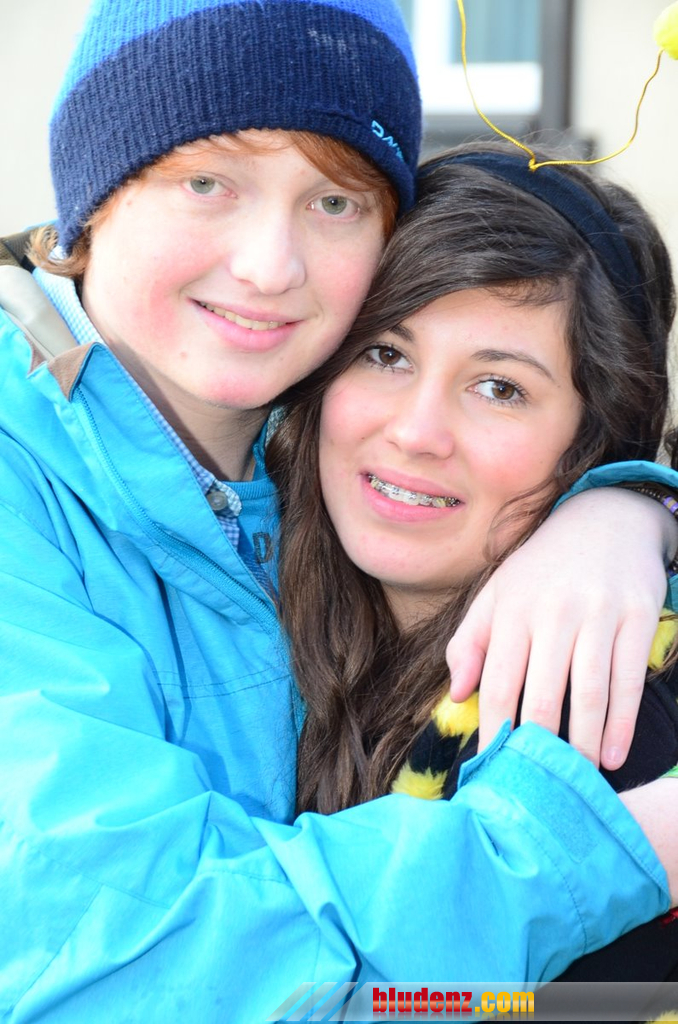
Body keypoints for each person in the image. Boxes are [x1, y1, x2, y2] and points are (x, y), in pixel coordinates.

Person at [0, 1, 676, 1019]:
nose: (270, 265)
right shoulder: (35, 485)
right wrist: (592, 850)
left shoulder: (287, 475)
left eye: (335, 201)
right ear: (90, 198)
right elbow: (130, 966)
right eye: (207, 181)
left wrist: (625, 504)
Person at [267, 140, 678, 978]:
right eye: (385, 353)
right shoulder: (234, 592)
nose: (417, 432)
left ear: (594, 437)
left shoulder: (609, 706)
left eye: (500, 388)